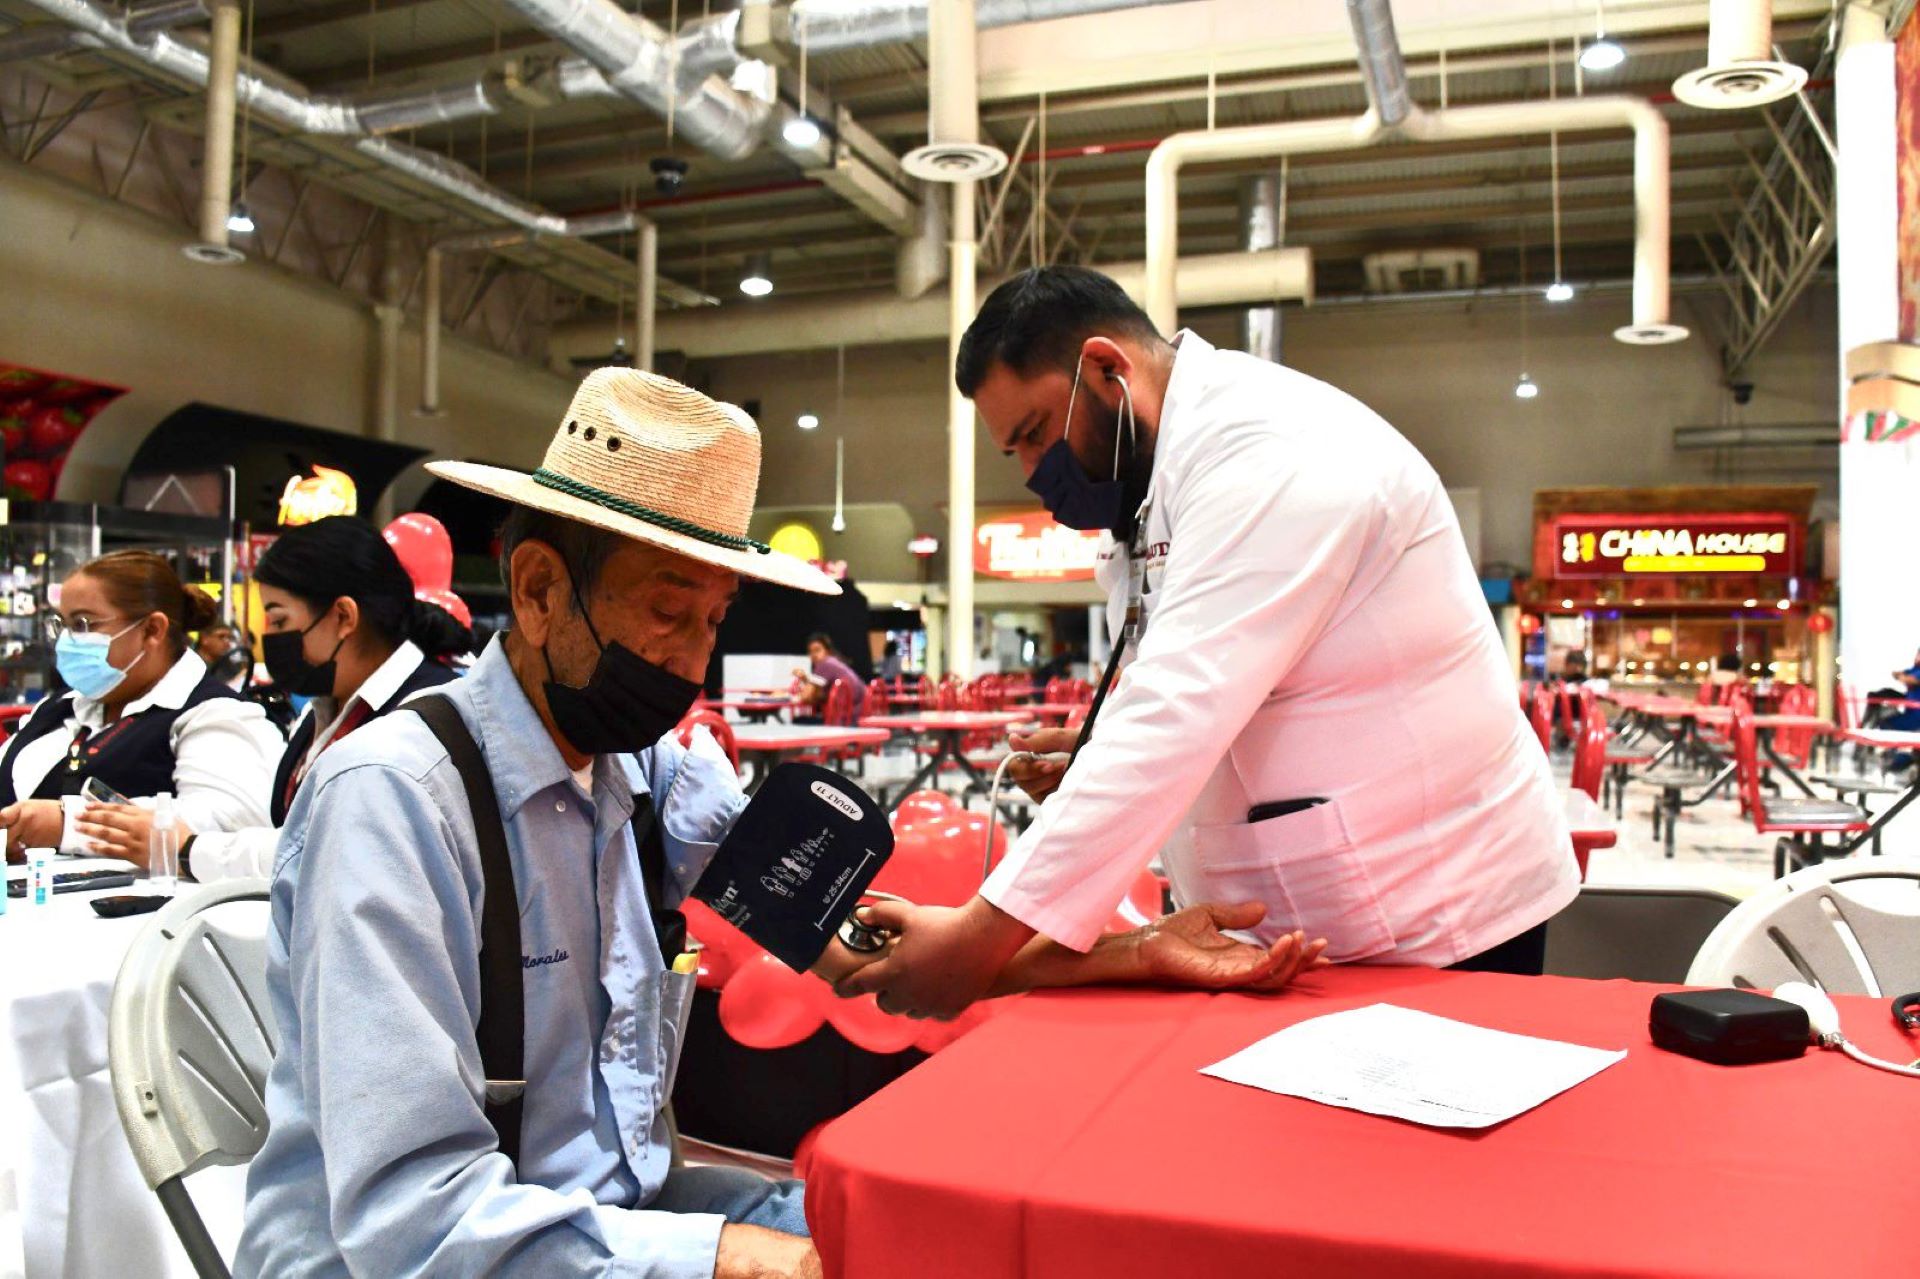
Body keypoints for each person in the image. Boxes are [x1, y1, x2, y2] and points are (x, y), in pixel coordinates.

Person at [236, 369, 1324, 1279]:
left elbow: (870, 949)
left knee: (919, 1240)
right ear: (536, 590)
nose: (689, 662)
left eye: (712, 621)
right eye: (667, 611)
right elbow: (409, 1218)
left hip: (603, 1207)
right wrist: (727, 1257)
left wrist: (1131, 952)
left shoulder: (644, 768)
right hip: (428, 1254)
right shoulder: (396, 807)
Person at [837, 265, 1577, 1020]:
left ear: (1106, 368)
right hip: (1297, 927)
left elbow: (1175, 713)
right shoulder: (1153, 483)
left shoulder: (1272, 453)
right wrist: (1098, 747)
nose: (1033, 473)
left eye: (1034, 433)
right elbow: (1197, 688)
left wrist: (977, 942)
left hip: (1437, 914)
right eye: (1014, 453)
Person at [177, 516, 467, 883]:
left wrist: (193, 852)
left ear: (344, 616)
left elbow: (333, 851)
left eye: (279, 622)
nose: (268, 638)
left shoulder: (426, 715)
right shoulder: (325, 708)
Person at [0, 550, 282, 863]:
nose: (66, 640)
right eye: (61, 624)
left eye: (82, 624)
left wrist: (70, 826)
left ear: (152, 631)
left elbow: (229, 826)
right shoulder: (60, 706)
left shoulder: (213, 714)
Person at [793, 631, 865, 718]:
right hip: (858, 713)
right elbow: (820, 695)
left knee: (799, 720)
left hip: (846, 718)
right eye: (810, 652)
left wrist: (793, 695)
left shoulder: (825, 664)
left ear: (827, 651)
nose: (814, 655)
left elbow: (806, 697)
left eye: (817, 650)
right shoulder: (835, 662)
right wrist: (805, 680)